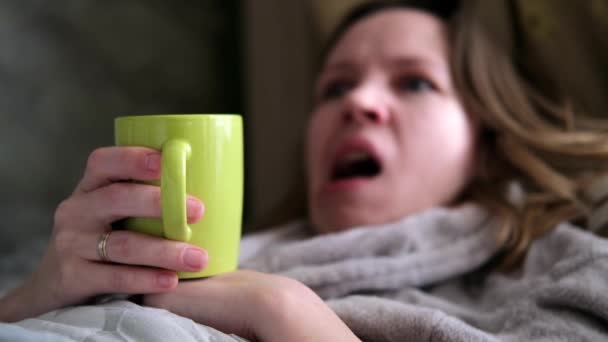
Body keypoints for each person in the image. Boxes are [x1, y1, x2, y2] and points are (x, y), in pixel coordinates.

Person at [2, 0, 608, 340]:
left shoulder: (569, 271)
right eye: (335, 87)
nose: (357, 102)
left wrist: (289, 317)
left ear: (486, 142)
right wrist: (34, 296)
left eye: (414, 82)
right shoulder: (222, 247)